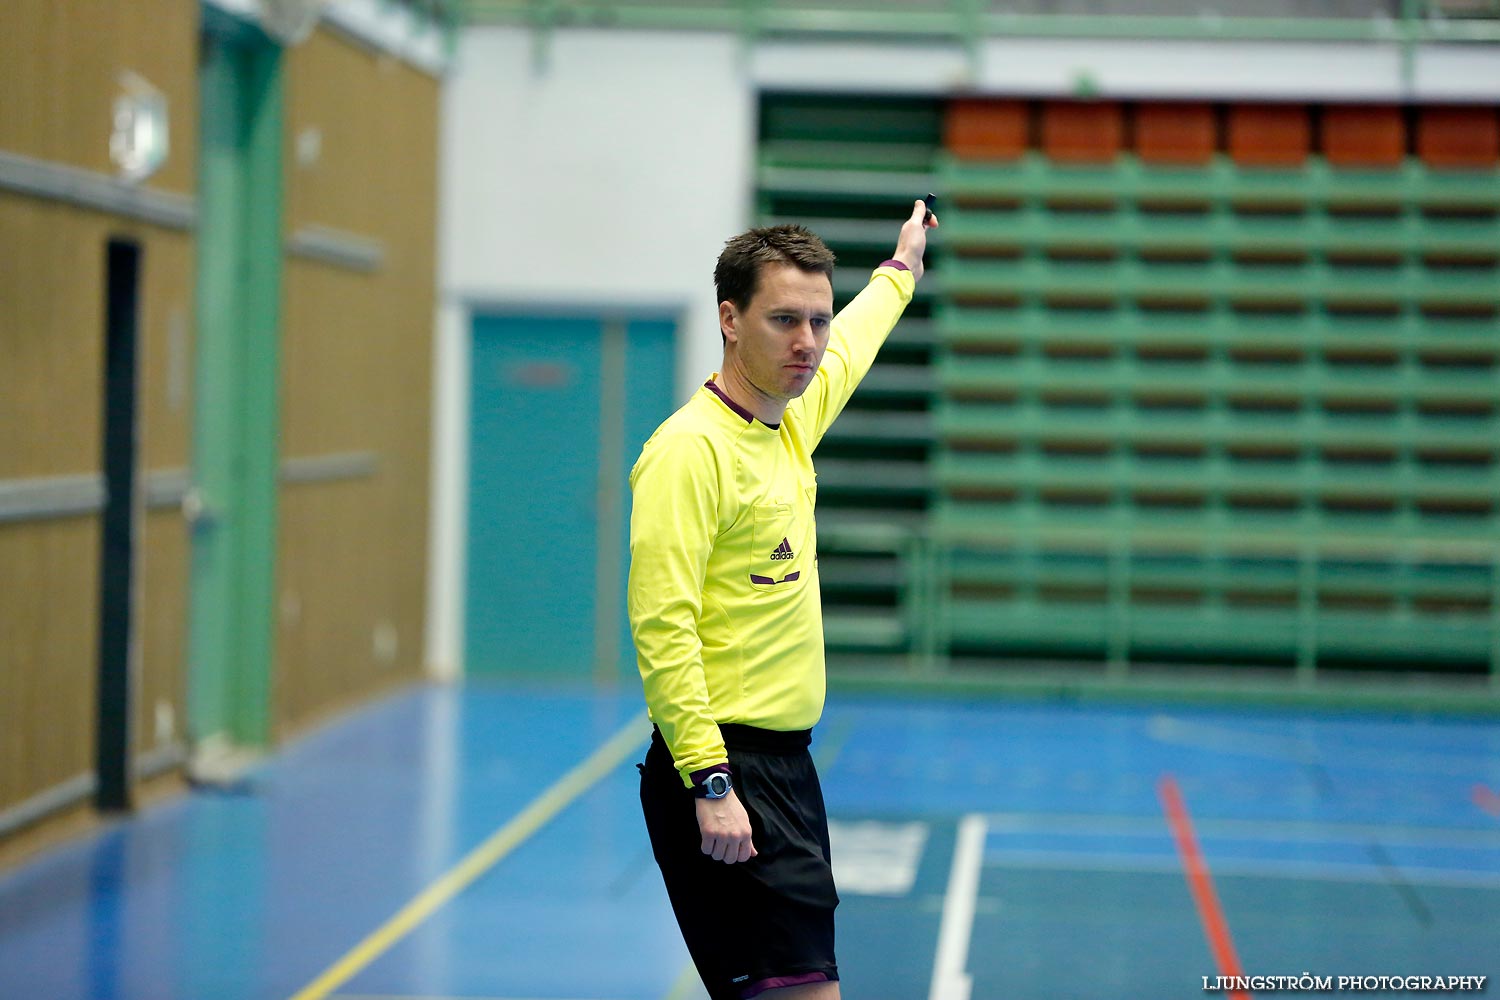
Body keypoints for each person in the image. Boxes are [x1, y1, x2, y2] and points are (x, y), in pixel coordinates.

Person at [628, 199, 936, 1000]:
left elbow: (858, 341)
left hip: (787, 770)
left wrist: (901, 270)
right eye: (783, 321)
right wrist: (711, 783)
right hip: (727, 771)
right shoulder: (689, 453)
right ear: (730, 320)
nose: (808, 343)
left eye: (817, 320)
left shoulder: (789, 422)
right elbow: (663, 628)